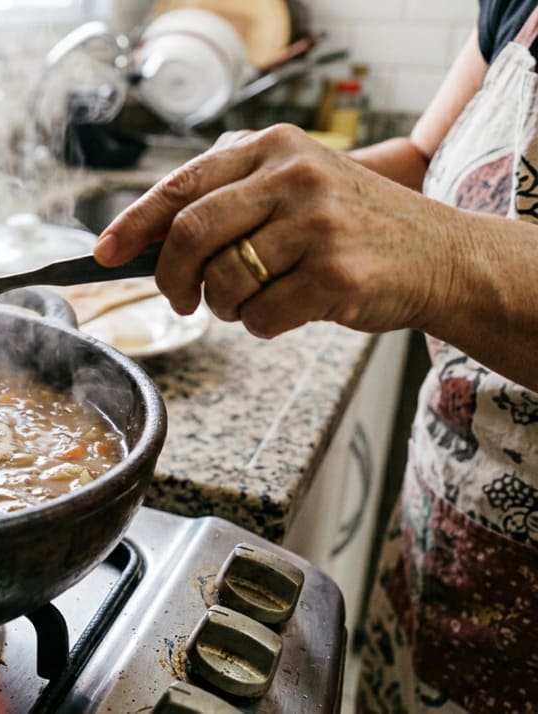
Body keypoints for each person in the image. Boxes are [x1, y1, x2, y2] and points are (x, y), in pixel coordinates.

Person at [92, 2, 538, 711]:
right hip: (442, 559)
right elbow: (424, 160)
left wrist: (442, 257)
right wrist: (277, 203)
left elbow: (433, 231)